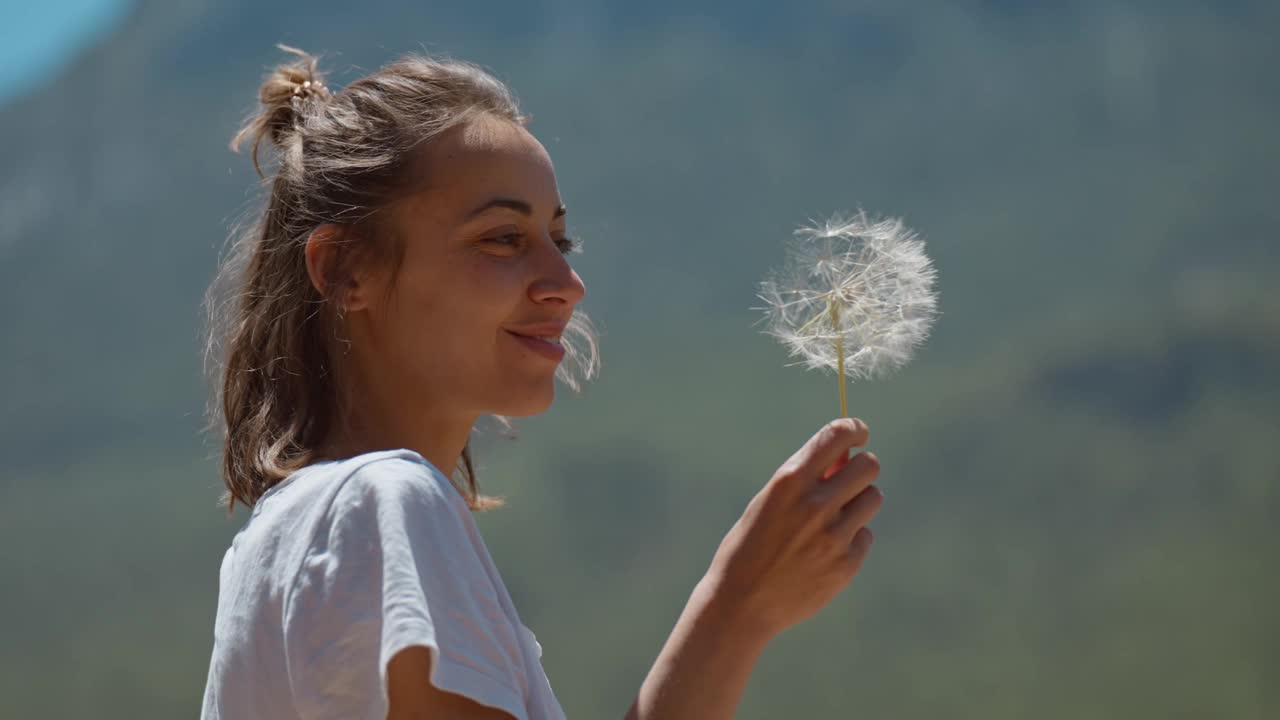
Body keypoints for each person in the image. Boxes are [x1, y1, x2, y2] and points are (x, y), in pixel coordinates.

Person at [199, 45, 884, 720]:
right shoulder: (384, 507)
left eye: (562, 242)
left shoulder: (275, 548)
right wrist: (736, 607)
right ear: (348, 269)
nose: (567, 285)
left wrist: (742, 609)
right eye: (502, 238)